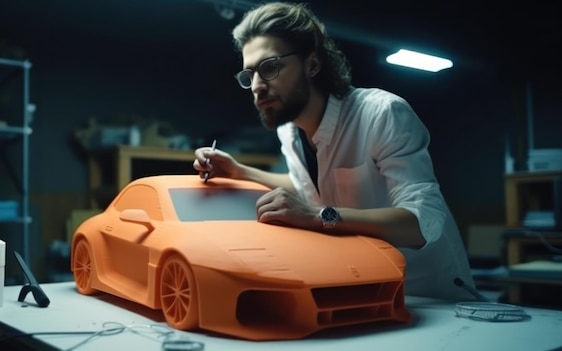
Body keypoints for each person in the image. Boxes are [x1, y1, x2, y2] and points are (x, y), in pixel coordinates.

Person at [193, 1, 475, 300]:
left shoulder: (381, 113)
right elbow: (305, 184)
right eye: (249, 75)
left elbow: (423, 222)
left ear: (312, 64)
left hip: (429, 296)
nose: (257, 86)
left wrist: (318, 216)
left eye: (270, 67)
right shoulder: (289, 131)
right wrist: (239, 171)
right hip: (365, 292)